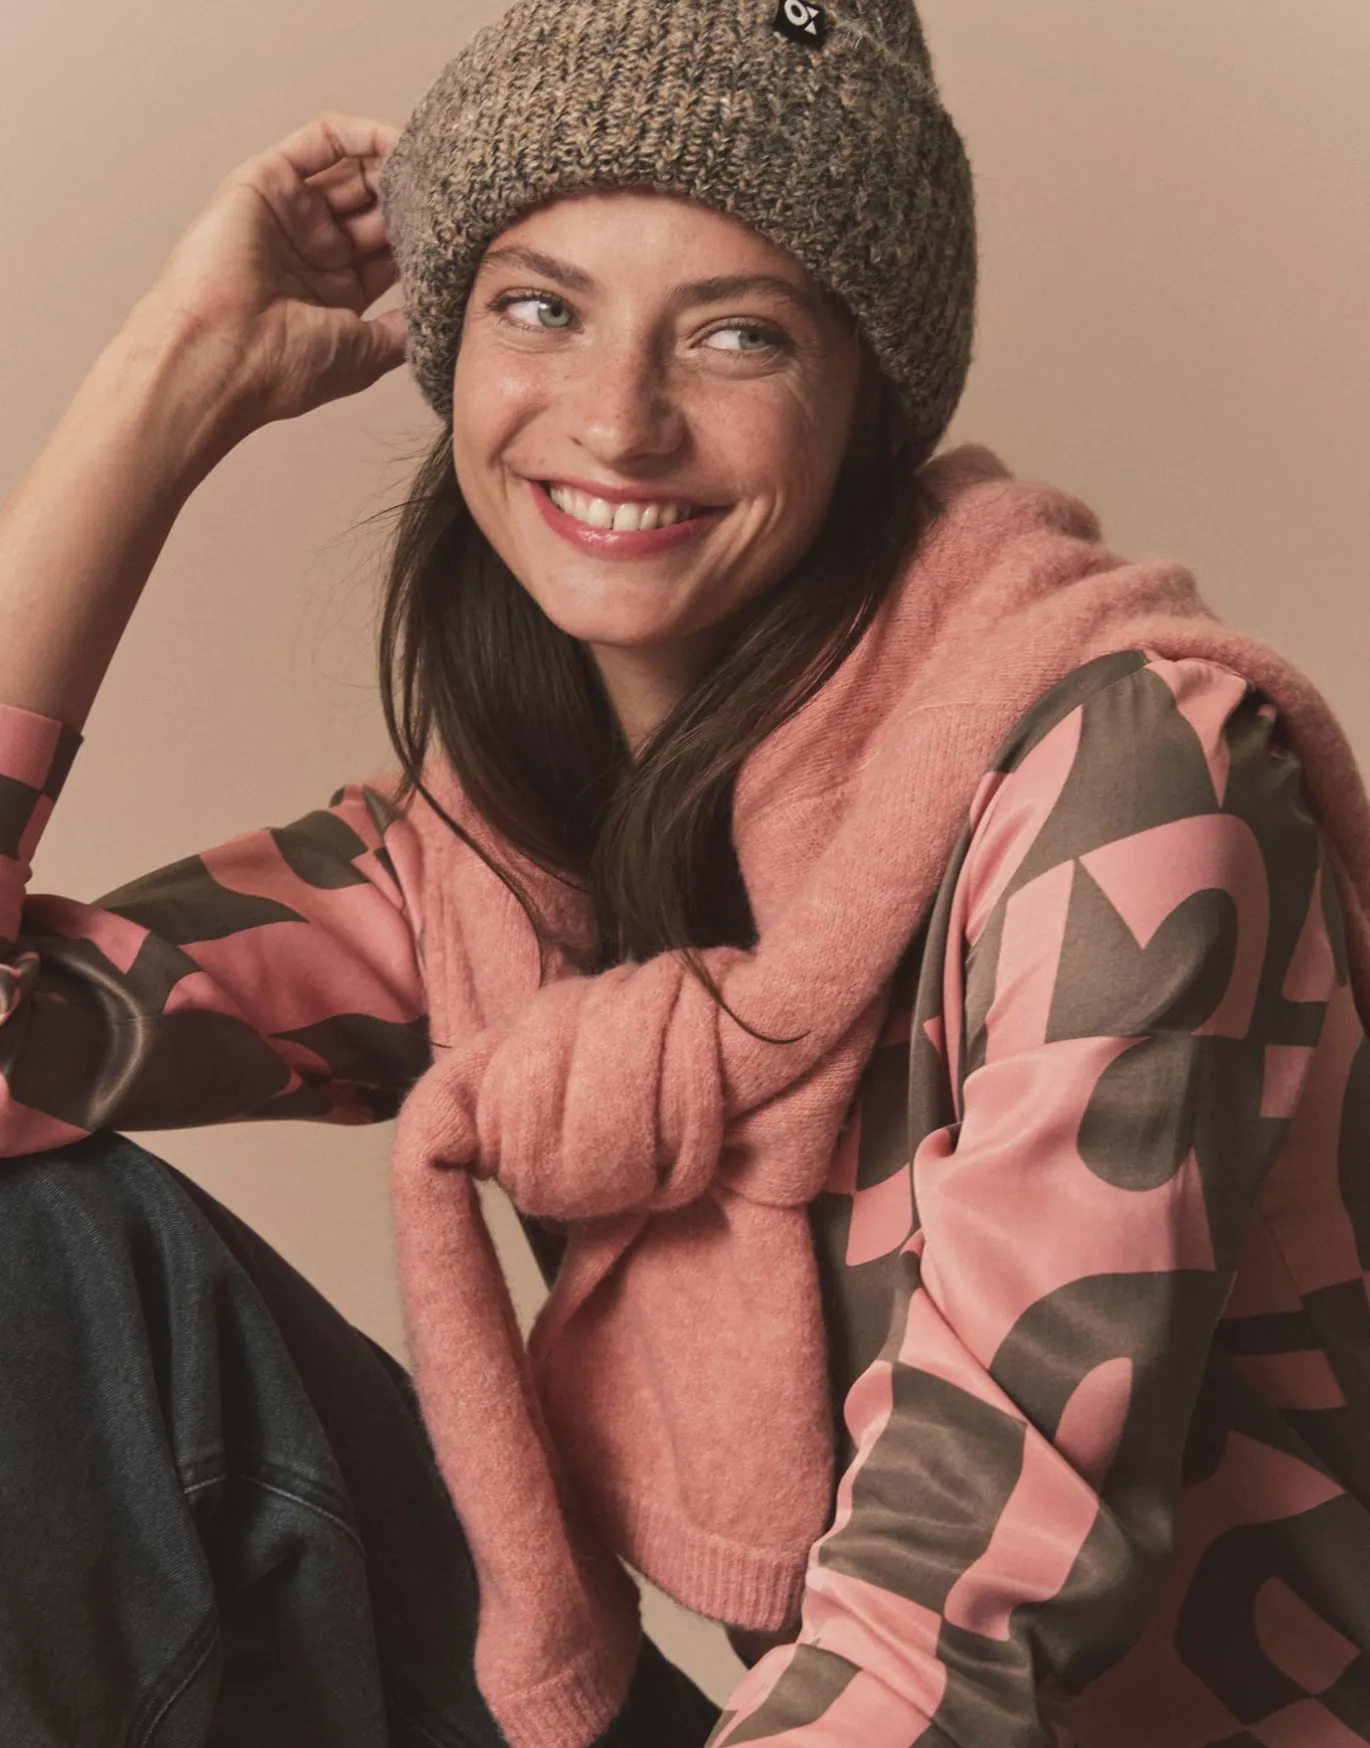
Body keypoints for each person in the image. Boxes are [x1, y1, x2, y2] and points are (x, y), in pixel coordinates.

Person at [2, 3, 1370, 1747]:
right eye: (539, 308)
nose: (617, 420)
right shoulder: (481, 867)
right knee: (39, 1248)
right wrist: (164, 387)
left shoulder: (1131, 779)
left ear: (865, 400)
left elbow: (957, 1628)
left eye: (736, 334)